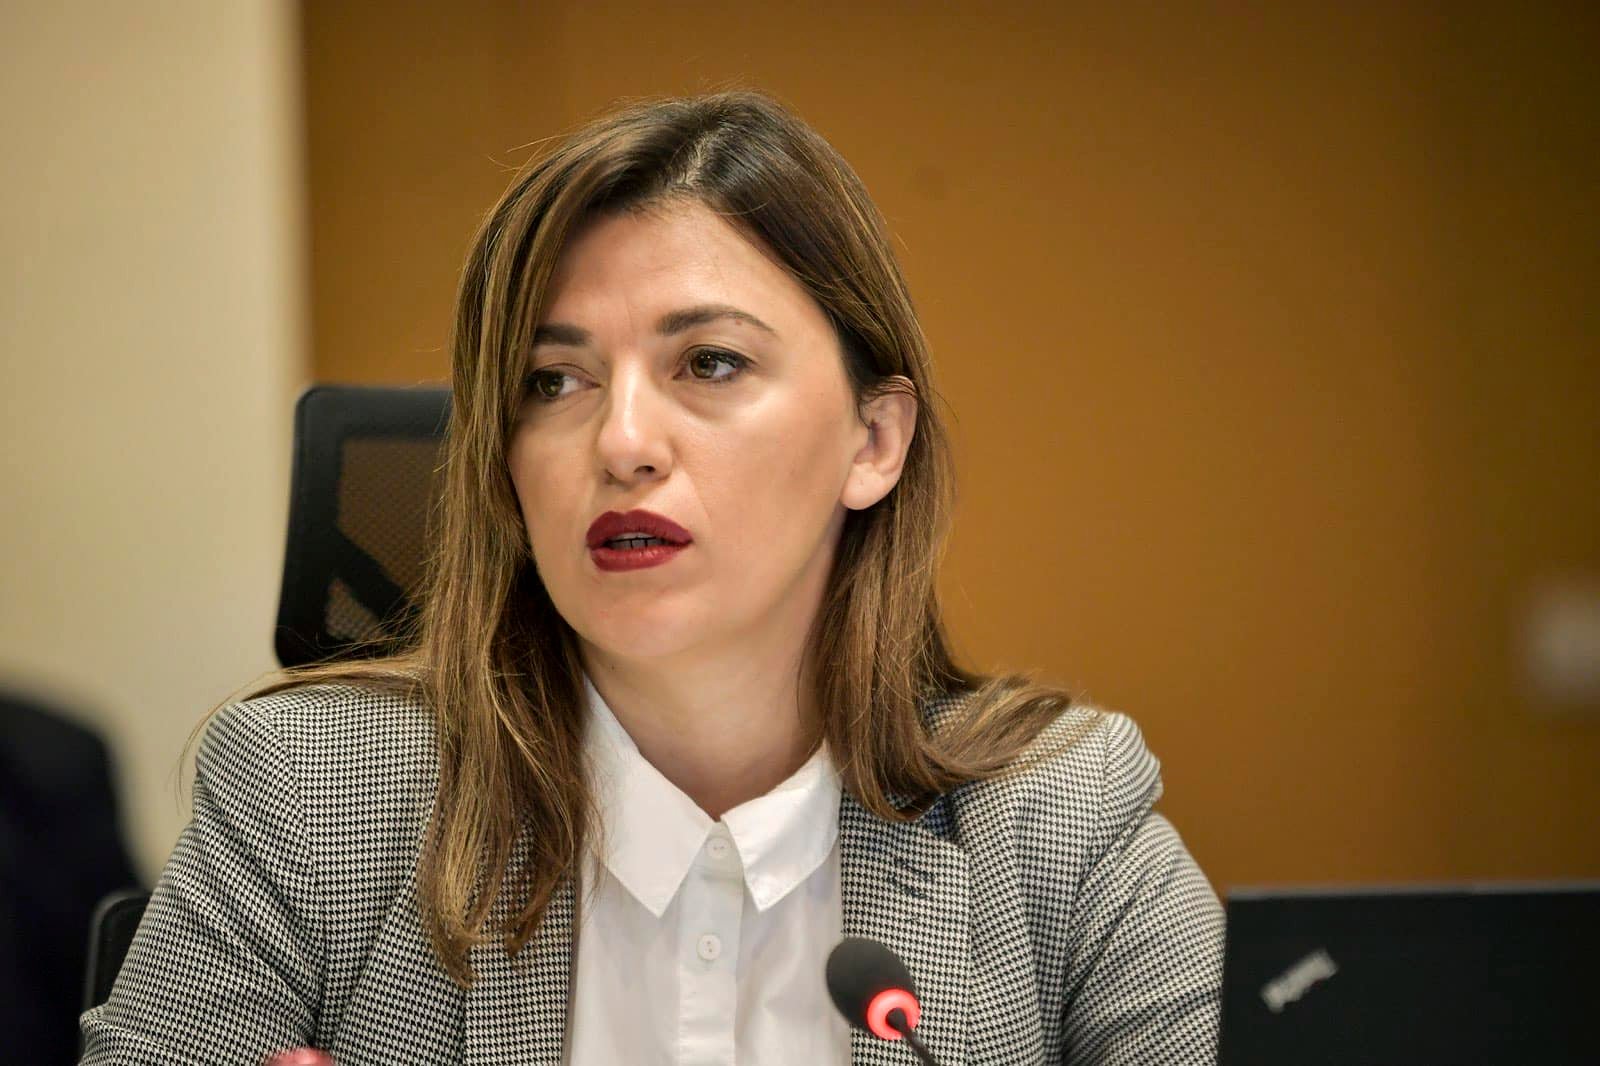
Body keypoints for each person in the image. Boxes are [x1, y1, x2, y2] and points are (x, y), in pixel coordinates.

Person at [79, 91, 1223, 1065]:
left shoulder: (1056, 819)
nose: (622, 441)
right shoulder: (315, 797)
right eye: (552, 381)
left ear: (873, 441)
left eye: (708, 362)